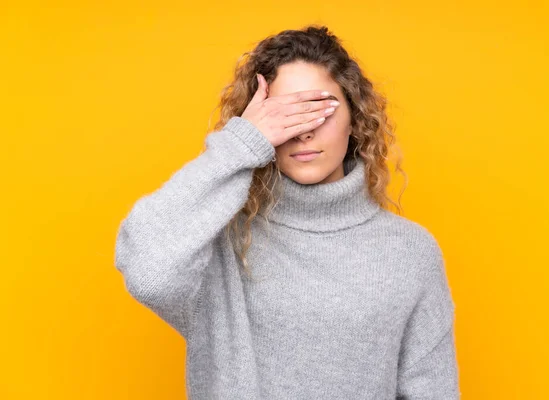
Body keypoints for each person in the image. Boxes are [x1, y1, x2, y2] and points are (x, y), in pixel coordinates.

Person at [115, 25, 459, 399]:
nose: (303, 131)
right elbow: (147, 270)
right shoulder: (219, 244)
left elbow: (432, 390)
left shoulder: (410, 252)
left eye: (318, 108)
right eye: (283, 114)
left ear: (355, 119)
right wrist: (242, 142)